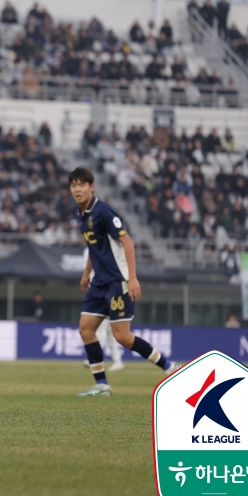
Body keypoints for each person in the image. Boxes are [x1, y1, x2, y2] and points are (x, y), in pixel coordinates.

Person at [68, 167, 179, 397]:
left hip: (118, 281)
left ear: (92, 186)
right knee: (86, 329)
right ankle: (102, 385)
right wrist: (86, 274)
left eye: (82, 184)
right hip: (99, 282)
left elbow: (128, 242)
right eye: (73, 185)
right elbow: (93, 247)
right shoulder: (80, 214)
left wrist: (133, 277)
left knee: (122, 337)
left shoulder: (104, 212)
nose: (77, 189)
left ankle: (170, 368)